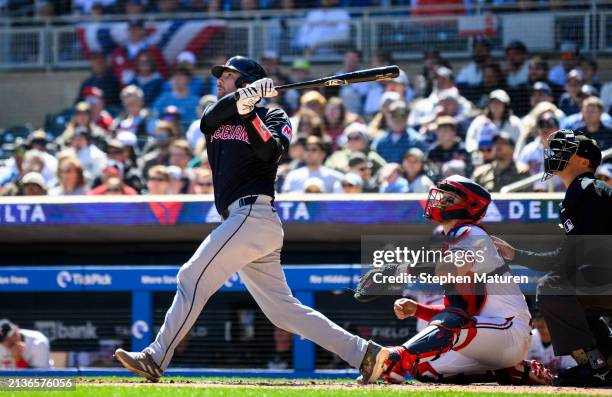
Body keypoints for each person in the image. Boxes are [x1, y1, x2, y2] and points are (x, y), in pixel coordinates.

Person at [114, 55, 388, 384]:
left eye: (228, 76)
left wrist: (250, 113)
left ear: (246, 80)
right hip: (243, 222)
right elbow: (210, 117)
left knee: (190, 277)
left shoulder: (274, 114)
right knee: (284, 312)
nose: (219, 81)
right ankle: (365, 354)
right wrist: (241, 101)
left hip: (254, 215)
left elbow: (271, 152)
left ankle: (155, 357)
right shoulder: (215, 116)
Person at [373, 175, 552, 385]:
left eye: (450, 199)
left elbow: (452, 269)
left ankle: (393, 358)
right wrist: (418, 309)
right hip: (487, 337)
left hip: (511, 330)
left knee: (453, 324)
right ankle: (512, 372)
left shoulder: (471, 232)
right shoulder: (454, 241)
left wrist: (405, 269)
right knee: (423, 368)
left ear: (470, 206)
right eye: (442, 197)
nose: (440, 201)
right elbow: (458, 311)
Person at [493, 130, 612, 386]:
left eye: (566, 151)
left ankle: (595, 366)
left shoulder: (587, 188)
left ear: (584, 161)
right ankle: (604, 366)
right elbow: (569, 256)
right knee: (568, 297)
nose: (557, 155)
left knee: (553, 289)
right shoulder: (581, 191)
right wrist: (518, 255)